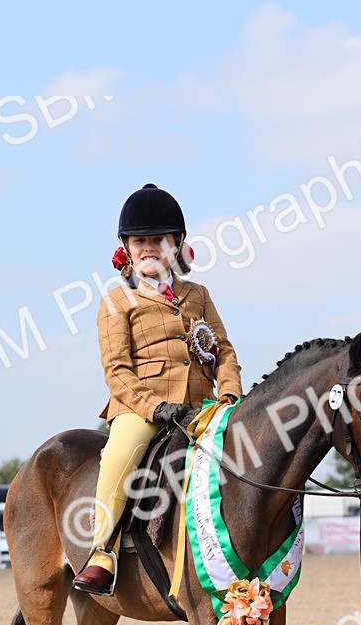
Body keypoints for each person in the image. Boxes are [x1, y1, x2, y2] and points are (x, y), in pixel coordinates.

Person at [73, 184, 243, 596]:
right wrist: (156, 408)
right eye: (141, 241)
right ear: (127, 249)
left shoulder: (197, 295)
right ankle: (102, 552)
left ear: (177, 245)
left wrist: (230, 396)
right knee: (119, 452)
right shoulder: (116, 301)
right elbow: (117, 371)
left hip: (203, 406)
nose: (150, 248)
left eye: (159, 240)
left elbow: (224, 350)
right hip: (142, 410)